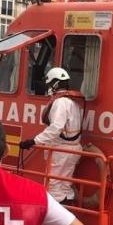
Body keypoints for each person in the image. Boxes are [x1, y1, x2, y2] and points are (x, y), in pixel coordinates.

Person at [20, 68, 83, 203]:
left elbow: (56, 128)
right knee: (65, 186)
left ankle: (55, 219)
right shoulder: (74, 103)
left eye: (49, 84)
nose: (48, 87)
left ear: (55, 84)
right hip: (73, 149)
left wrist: (34, 141)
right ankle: (68, 214)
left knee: (53, 187)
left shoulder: (60, 102)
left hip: (61, 151)